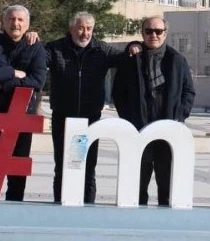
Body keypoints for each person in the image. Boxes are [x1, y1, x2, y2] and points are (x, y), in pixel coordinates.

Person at [45, 12, 135, 204]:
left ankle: (87, 207)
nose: (85, 33)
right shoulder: (55, 49)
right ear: (71, 29)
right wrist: (32, 38)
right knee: (62, 166)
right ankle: (58, 206)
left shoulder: (101, 50)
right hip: (63, 117)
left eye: (89, 28)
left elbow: (124, 58)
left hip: (90, 119)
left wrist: (134, 45)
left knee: (87, 167)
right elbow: (35, 60)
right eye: (80, 28)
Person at [112, 16, 196, 206]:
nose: (153, 35)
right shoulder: (132, 59)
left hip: (167, 130)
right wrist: (128, 119)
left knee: (167, 183)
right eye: (149, 31)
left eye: (158, 31)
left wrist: (178, 116)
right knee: (137, 184)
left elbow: (188, 91)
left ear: (165, 34)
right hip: (138, 129)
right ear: (142, 33)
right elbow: (118, 93)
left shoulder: (177, 60)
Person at [0, 4, 47, 201]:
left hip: (22, 118)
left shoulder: (36, 47)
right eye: (11, 19)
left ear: (27, 24)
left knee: (17, 169)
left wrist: (2, 84)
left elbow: (37, 81)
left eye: (20, 20)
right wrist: (12, 73)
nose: (16, 23)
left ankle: (14, 208)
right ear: (3, 22)